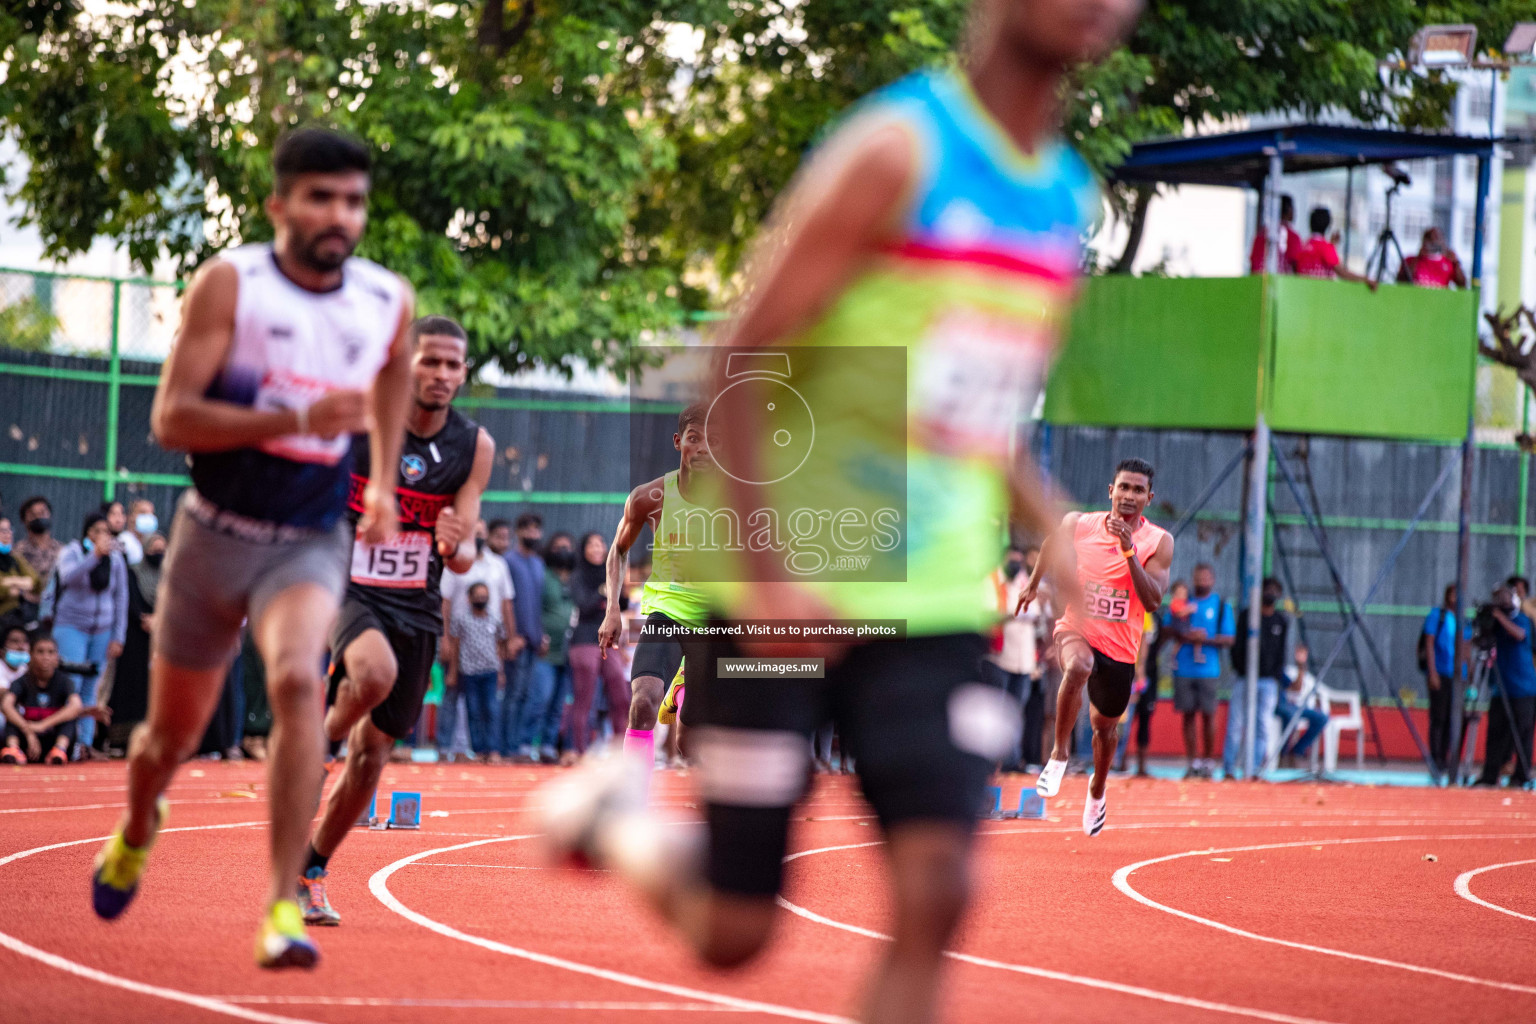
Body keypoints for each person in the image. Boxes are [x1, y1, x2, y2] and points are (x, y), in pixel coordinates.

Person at [540, 4, 1145, 1019]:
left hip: (933, 593)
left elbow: (979, 421)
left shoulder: (1060, 199)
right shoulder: (896, 150)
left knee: (939, 887)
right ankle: (620, 821)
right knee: (738, 929)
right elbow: (735, 369)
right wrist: (774, 573)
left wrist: (1054, 523)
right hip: (780, 583)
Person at [91, 126, 414, 972]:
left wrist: (380, 479)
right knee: (169, 738)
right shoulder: (232, 285)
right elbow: (170, 421)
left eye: (352, 200)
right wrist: (295, 421)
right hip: (213, 535)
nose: (338, 214)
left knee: (300, 681)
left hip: (308, 541)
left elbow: (390, 376)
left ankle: (281, 904)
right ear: (280, 205)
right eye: (319, 197)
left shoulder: (385, 299)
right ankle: (136, 825)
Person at [298, 314, 490, 926]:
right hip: (347, 584)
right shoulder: (361, 422)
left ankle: (311, 869)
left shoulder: (472, 446)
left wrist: (457, 540)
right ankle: (315, 742)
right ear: (405, 365)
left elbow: (462, 555)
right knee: (373, 674)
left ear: (463, 374)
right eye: (429, 360)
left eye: (452, 364)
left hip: (417, 605)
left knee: (374, 755)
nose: (440, 374)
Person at [1023, 459, 1172, 833]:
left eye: (1138, 490)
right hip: (1077, 627)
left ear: (1148, 498)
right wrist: (1031, 584)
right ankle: (1058, 755)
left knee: (1104, 730)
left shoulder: (1159, 541)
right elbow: (1048, 544)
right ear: (1111, 491)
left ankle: (1097, 787)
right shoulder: (1079, 523)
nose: (1129, 495)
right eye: (1123, 487)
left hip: (1120, 649)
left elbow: (1153, 600)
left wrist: (1129, 553)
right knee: (1077, 666)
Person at [598, 405, 713, 795]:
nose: (704, 448)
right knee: (644, 702)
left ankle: (684, 687)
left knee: (687, 743)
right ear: (680, 442)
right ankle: (631, 800)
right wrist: (613, 608)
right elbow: (618, 551)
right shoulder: (651, 497)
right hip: (667, 611)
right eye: (696, 437)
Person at [53, 512, 129, 755]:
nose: (102, 536)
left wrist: (119, 636)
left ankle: (84, 742)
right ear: (87, 532)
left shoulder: (115, 559)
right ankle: (65, 742)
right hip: (71, 628)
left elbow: (121, 598)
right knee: (71, 685)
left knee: (91, 688)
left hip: (102, 632)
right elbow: (68, 578)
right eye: (96, 530)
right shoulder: (71, 552)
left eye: (105, 531)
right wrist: (94, 556)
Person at [1165, 563, 1234, 779]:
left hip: (1209, 670)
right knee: (1187, 715)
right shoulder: (1182, 601)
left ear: (1213, 579)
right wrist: (1186, 634)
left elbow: (1229, 638)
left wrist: (1205, 639)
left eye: (1206, 577)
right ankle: (1192, 762)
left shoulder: (1221, 605)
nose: (1202, 581)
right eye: (1198, 577)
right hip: (1184, 668)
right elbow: (1168, 628)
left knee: (1208, 715)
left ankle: (1208, 762)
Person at [1, 633, 112, 764]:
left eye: (50, 652)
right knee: (12, 715)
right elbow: (6, 706)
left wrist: (42, 725)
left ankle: (59, 750)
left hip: (52, 737)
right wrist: (28, 730)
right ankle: (13, 748)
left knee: (70, 717)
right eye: (40, 652)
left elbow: (75, 706)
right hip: (28, 740)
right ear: (30, 655)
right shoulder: (21, 682)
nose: (45, 657)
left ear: (57, 657)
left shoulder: (64, 681)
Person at [566, 531, 629, 756]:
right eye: (591, 544)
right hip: (585, 640)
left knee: (621, 695)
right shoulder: (577, 576)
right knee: (585, 698)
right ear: (583, 550)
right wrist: (604, 592)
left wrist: (616, 583)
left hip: (609, 641)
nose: (597, 548)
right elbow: (584, 605)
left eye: (600, 544)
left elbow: (624, 600)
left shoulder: (610, 573)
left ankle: (623, 753)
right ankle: (580, 751)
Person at [1225, 576, 1287, 780]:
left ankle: (1253, 770)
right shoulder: (1248, 616)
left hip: (1268, 681)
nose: (1271, 595)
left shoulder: (1280, 621)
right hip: (1245, 678)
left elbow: (1281, 652)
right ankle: (1229, 769)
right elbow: (1236, 646)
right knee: (1236, 724)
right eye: (1268, 590)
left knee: (1262, 726)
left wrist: (1276, 675)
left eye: (1275, 592)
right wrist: (1240, 668)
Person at [1477, 583, 1536, 788]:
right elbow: (1479, 641)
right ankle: (1490, 774)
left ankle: (1520, 776)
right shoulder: (1495, 625)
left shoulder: (1521, 619)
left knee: (1523, 733)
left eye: (1503, 597)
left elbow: (1520, 635)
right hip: (1500, 689)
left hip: (1523, 688)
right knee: (1496, 732)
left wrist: (1500, 617)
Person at [444, 582, 507, 762]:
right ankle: (478, 750)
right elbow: (455, 646)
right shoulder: (462, 620)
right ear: (469, 598)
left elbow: (500, 646)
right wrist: (453, 672)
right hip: (469, 671)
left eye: (484, 595)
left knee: (492, 710)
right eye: (478, 595)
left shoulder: (495, 619)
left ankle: (493, 750)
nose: (481, 598)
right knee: (473, 711)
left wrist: (501, 672)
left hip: (491, 671)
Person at [989, 544, 1037, 772]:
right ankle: (991, 762)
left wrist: (1013, 613)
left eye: (1019, 561)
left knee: (1017, 711)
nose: (1016, 565)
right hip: (999, 657)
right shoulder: (992, 582)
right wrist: (1014, 613)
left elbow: (1035, 611)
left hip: (1023, 660)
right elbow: (989, 613)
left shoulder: (1024, 581)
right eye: (1012, 560)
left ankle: (1010, 760)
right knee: (997, 710)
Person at [502, 513, 546, 761]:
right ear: (518, 532)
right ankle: (506, 747)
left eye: (536, 530)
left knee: (529, 696)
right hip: (516, 641)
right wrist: (511, 636)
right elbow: (505, 603)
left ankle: (518, 746)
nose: (532, 534)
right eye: (527, 529)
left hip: (534, 642)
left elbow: (540, 603)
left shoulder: (539, 563)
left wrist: (541, 636)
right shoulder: (508, 561)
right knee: (513, 695)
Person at [534, 532, 576, 764]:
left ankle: (548, 746)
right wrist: (539, 634)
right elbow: (535, 607)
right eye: (558, 547)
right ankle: (525, 744)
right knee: (540, 698)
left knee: (559, 704)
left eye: (567, 547)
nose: (563, 551)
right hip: (546, 650)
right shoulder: (544, 576)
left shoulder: (575, 579)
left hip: (570, 652)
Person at [1420, 584, 1464, 772]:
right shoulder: (1438, 616)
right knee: (1439, 717)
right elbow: (1429, 643)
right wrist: (1432, 672)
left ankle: (1447, 757)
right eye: (1453, 594)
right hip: (1441, 672)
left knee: (1453, 718)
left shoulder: (1462, 619)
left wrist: (1467, 672)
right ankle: (1435, 757)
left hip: (1457, 676)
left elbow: (1467, 646)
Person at [1274, 643, 1328, 768]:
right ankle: (1282, 754)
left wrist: (1300, 665)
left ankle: (1297, 751)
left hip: (1294, 706)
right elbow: (1294, 689)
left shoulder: (1285, 669)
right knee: (1290, 714)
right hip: (1278, 706)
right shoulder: (1273, 668)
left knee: (1321, 718)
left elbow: (1297, 689)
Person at [1292, 207, 1375, 287]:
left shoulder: (1303, 246)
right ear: (1328, 225)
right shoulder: (1325, 247)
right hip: (1321, 294)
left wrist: (1333, 246)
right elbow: (1342, 273)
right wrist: (1365, 279)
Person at [0, 517, 43, 629]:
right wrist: (21, 584)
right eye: (2, 530)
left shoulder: (15, 558)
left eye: (9, 530)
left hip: (18, 618)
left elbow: (35, 582)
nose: (7, 534)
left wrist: (11, 582)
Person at [1397, 227, 1466, 289]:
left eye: (1437, 238)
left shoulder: (1448, 263)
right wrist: (1418, 258)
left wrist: (1455, 262)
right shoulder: (1410, 260)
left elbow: (1462, 284)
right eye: (1430, 239)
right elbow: (1401, 282)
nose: (1433, 242)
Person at [16, 496, 62, 586]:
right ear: (24, 520)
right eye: (33, 515)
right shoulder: (18, 552)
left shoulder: (62, 550)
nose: (38, 517)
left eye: (42, 513)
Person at [1249, 195, 1300, 274]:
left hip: (1260, 283)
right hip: (1283, 284)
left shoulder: (1261, 234)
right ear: (1289, 210)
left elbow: (1253, 265)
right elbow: (1296, 267)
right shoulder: (1292, 237)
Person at [101, 500, 143, 567]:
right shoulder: (97, 545)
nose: (119, 520)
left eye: (121, 514)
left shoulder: (127, 540)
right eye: (113, 514)